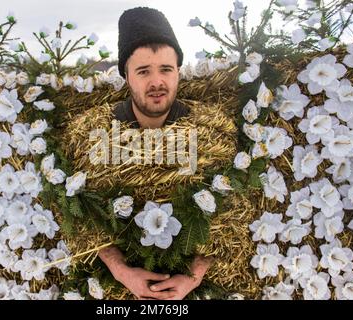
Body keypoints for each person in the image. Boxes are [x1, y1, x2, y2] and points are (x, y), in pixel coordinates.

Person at [98, 7, 212, 300]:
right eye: (143, 71)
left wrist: (193, 278)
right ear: (126, 76)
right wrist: (121, 271)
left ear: (178, 72)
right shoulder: (98, 135)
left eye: (165, 69)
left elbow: (233, 221)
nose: (157, 82)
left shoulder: (211, 134)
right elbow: (86, 223)